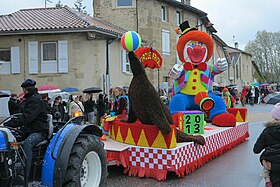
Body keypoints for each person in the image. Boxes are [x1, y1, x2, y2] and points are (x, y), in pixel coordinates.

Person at [1, 79, 49, 181]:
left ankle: (24, 174)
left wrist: (7, 124)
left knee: (27, 144)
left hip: (39, 131)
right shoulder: (29, 99)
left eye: (23, 89)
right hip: (28, 130)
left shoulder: (35, 100)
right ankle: (10, 168)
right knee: (12, 140)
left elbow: (26, 117)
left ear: (26, 89)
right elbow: (20, 115)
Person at [253, 103, 280, 187]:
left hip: (271, 166)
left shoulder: (267, 131)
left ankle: (268, 182)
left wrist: (263, 158)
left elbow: (256, 149)